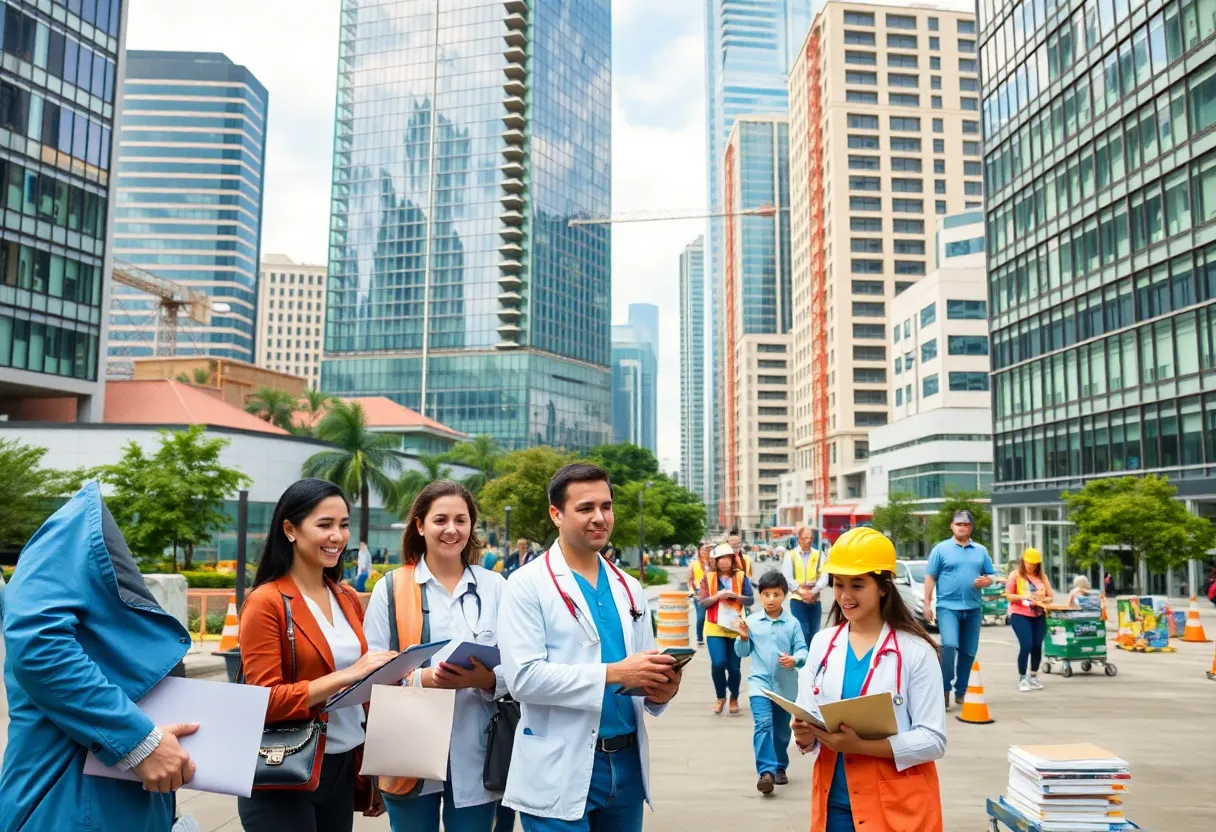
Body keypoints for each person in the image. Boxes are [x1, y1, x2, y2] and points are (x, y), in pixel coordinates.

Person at [0, 482, 198, 831]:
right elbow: (39, 643)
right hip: (67, 805)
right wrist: (140, 742)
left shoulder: (78, 544)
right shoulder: (67, 538)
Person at [498, 462, 681, 831]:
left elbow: (643, 669)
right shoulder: (526, 585)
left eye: (606, 506)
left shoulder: (628, 587)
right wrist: (615, 673)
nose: (600, 518)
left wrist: (662, 689)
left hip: (625, 765)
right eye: (585, 508)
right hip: (559, 765)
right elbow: (523, 679)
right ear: (556, 514)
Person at [237, 478, 396, 830]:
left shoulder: (346, 597)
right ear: (290, 529)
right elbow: (264, 700)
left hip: (340, 766)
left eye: (343, 525)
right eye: (324, 525)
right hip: (283, 767)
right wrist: (347, 675)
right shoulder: (267, 602)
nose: (338, 536)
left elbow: (363, 693)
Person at [365, 480, 508, 831]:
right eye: (440, 519)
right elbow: (369, 669)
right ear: (420, 525)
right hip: (407, 746)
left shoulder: (496, 588)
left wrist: (488, 680)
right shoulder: (391, 588)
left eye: (461, 520)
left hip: (478, 746)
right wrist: (422, 679)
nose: (451, 529)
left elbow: (521, 665)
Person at [792, 527, 947, 832]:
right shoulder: (822, 644)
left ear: (883, 588)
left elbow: (933, 740)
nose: (845, 596)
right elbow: (807, 720)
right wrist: (803, 733)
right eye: (838, 584)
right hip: (834, 804)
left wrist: (860, 746)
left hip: (896, 807)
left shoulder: (915, 651)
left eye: (858, 585)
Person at [735, 572, 808, 794]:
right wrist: (744, 638)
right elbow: (742, 652)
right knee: (763, 725)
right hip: (760, 683)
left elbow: (802, 649)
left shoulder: (792, 623)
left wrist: (794, 659)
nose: (770, 599)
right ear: (760, 596)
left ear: (784, 595)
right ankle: (765, 772)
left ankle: (779, 767)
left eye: (776, 594)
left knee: (781, 731)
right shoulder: (751, 622)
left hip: (785, 687)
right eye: (766, 594)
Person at [923, 509, 994, 711]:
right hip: (947, 607)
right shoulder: (941, 549)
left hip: (973, 608)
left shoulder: (980, 550)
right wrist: (927, 604)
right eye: (958, 524)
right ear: (952, 526)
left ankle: (961, 691)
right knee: (950, 645)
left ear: (970, 527)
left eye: (966, 524)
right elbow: (930, 577)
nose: (962, 527)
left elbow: (990, 575)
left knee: (969, 652)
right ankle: (944, 687)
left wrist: (987, 581)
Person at [700, 541, 755, 715]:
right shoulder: (708, 578)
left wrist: (737, 596)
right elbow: (703, 603)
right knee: (718, 663)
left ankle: (734, 697)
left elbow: (751, 599)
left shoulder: (741, 577)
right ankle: (720, 696)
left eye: (727, 558)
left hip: (734, 627)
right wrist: (718, 596)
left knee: (734, 667)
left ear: (732, 559)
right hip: (715, 627)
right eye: (720, 558)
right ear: (714, 561)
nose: (724, 562)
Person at [1005, 547, 1053, 692]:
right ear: (1023, 561)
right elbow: (1008, 596)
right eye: (1028, 563)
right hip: (1020, 614)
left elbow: (1051, 596)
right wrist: (1023, 597)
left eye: (1034, 564)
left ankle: (1033, 675)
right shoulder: (1015, 575)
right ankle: (1022, 677)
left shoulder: (1042, 577)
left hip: (1038, 614)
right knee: (1027, 644)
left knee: (1037, 645)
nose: (1031, 566)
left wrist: (1042, 599)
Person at [783, 525, 829, 645]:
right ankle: (803, 660)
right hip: (797, 599)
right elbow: (787, 578)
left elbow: (825, 576)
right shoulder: (790, 555)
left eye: (810, 538)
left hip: (815, 599)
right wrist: (802, 592)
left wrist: (812, 592)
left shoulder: (819, 555)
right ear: (799, 539)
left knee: (814, 633)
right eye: (805, 538)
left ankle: (812, 661)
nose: (808, 540)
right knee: (803, 631)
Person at [688, 542, 712, 646]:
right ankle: (699, 638)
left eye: (707, 550)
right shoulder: (693, 563)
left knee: (713, 618)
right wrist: (691, 590)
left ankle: (714, 638)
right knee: (701, 617)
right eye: (703, 549)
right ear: (699, 551)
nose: (705, 552)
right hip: (699, 593)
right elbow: (689, 579)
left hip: (712, 592)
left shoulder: (713, 563)